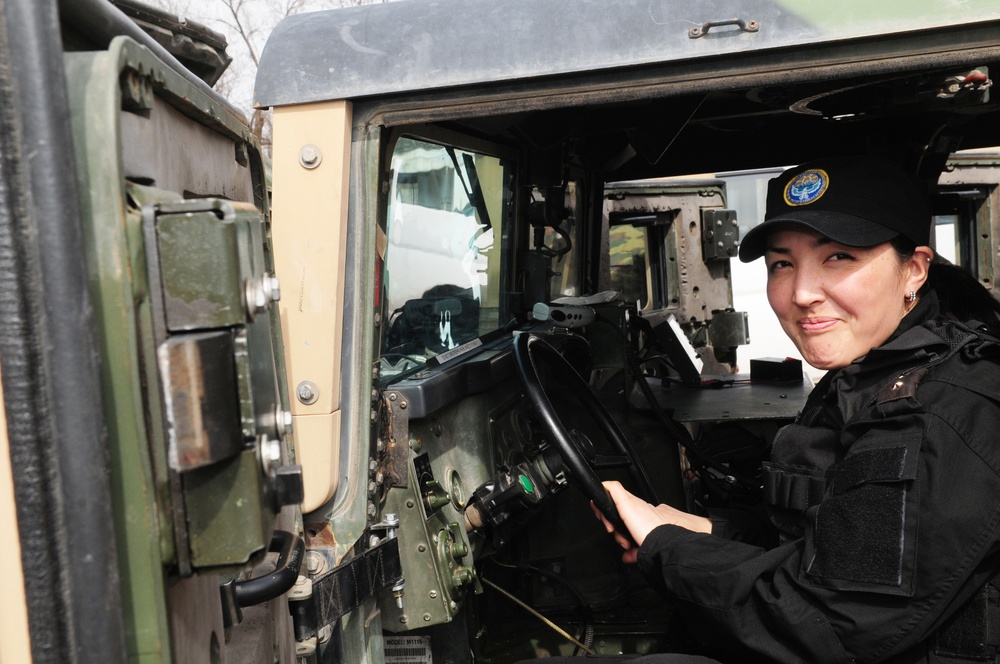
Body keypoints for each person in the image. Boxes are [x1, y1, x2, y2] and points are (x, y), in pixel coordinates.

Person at [594, 156, 1000, 663]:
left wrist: (664, 547)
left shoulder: (943, 409)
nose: (802, 294)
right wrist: (702, 531)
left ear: (914, 270)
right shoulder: (871, 373)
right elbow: (821, 539)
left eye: (839, 257)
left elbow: (828, 626)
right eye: (782, 265)